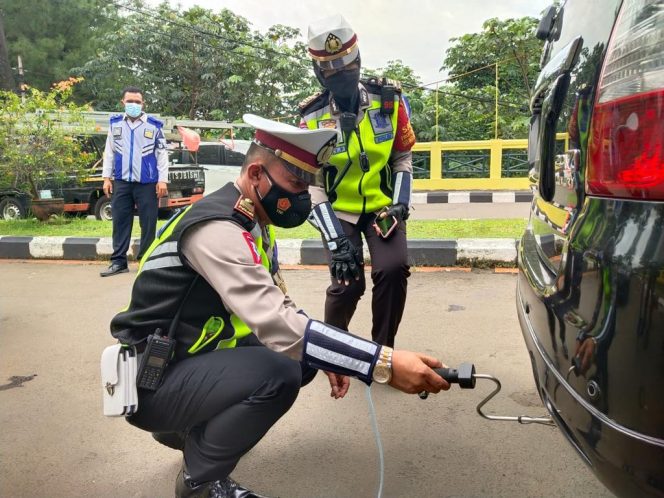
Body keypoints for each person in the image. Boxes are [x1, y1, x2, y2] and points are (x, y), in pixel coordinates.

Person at [108, 114, 449, 498]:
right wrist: (381, 363)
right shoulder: (218, 230)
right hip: (152, 381)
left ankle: (192, 433)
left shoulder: (250, 218)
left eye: (308, 185)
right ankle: (200, 481)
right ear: (256, 174)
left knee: (301, 361)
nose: (303, 196)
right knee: (279, 373)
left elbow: (278, 304)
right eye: (295, 183)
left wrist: (330, 357)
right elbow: (277, 324)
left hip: (184, 362)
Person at [299, 14, 417, 347]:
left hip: (383, 206)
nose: (341, 77)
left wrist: (400, 204)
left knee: (393, 270)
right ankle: (334, 349)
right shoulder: (311, 117)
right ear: (319, 73)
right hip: (339, 212)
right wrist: (335, 241)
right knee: (347, 282)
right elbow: (313, 183)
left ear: (359, 62)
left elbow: (402, 157)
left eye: (347, 68)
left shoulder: (388, 101)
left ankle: (382, 350)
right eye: (331, 72)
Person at [100, 86, 169, 277]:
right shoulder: (115, 125)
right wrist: (106, 178)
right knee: (120, 221)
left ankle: (145, 261)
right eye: (130, 101)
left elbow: (162, 154)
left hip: (147, 182)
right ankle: (118, 262)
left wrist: (162, 180)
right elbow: (110, 153)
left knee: (148, 222)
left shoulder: (154, 126)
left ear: (143, 104)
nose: (133, 105)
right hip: (122, 181)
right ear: (123, 102)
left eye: (137, 102)